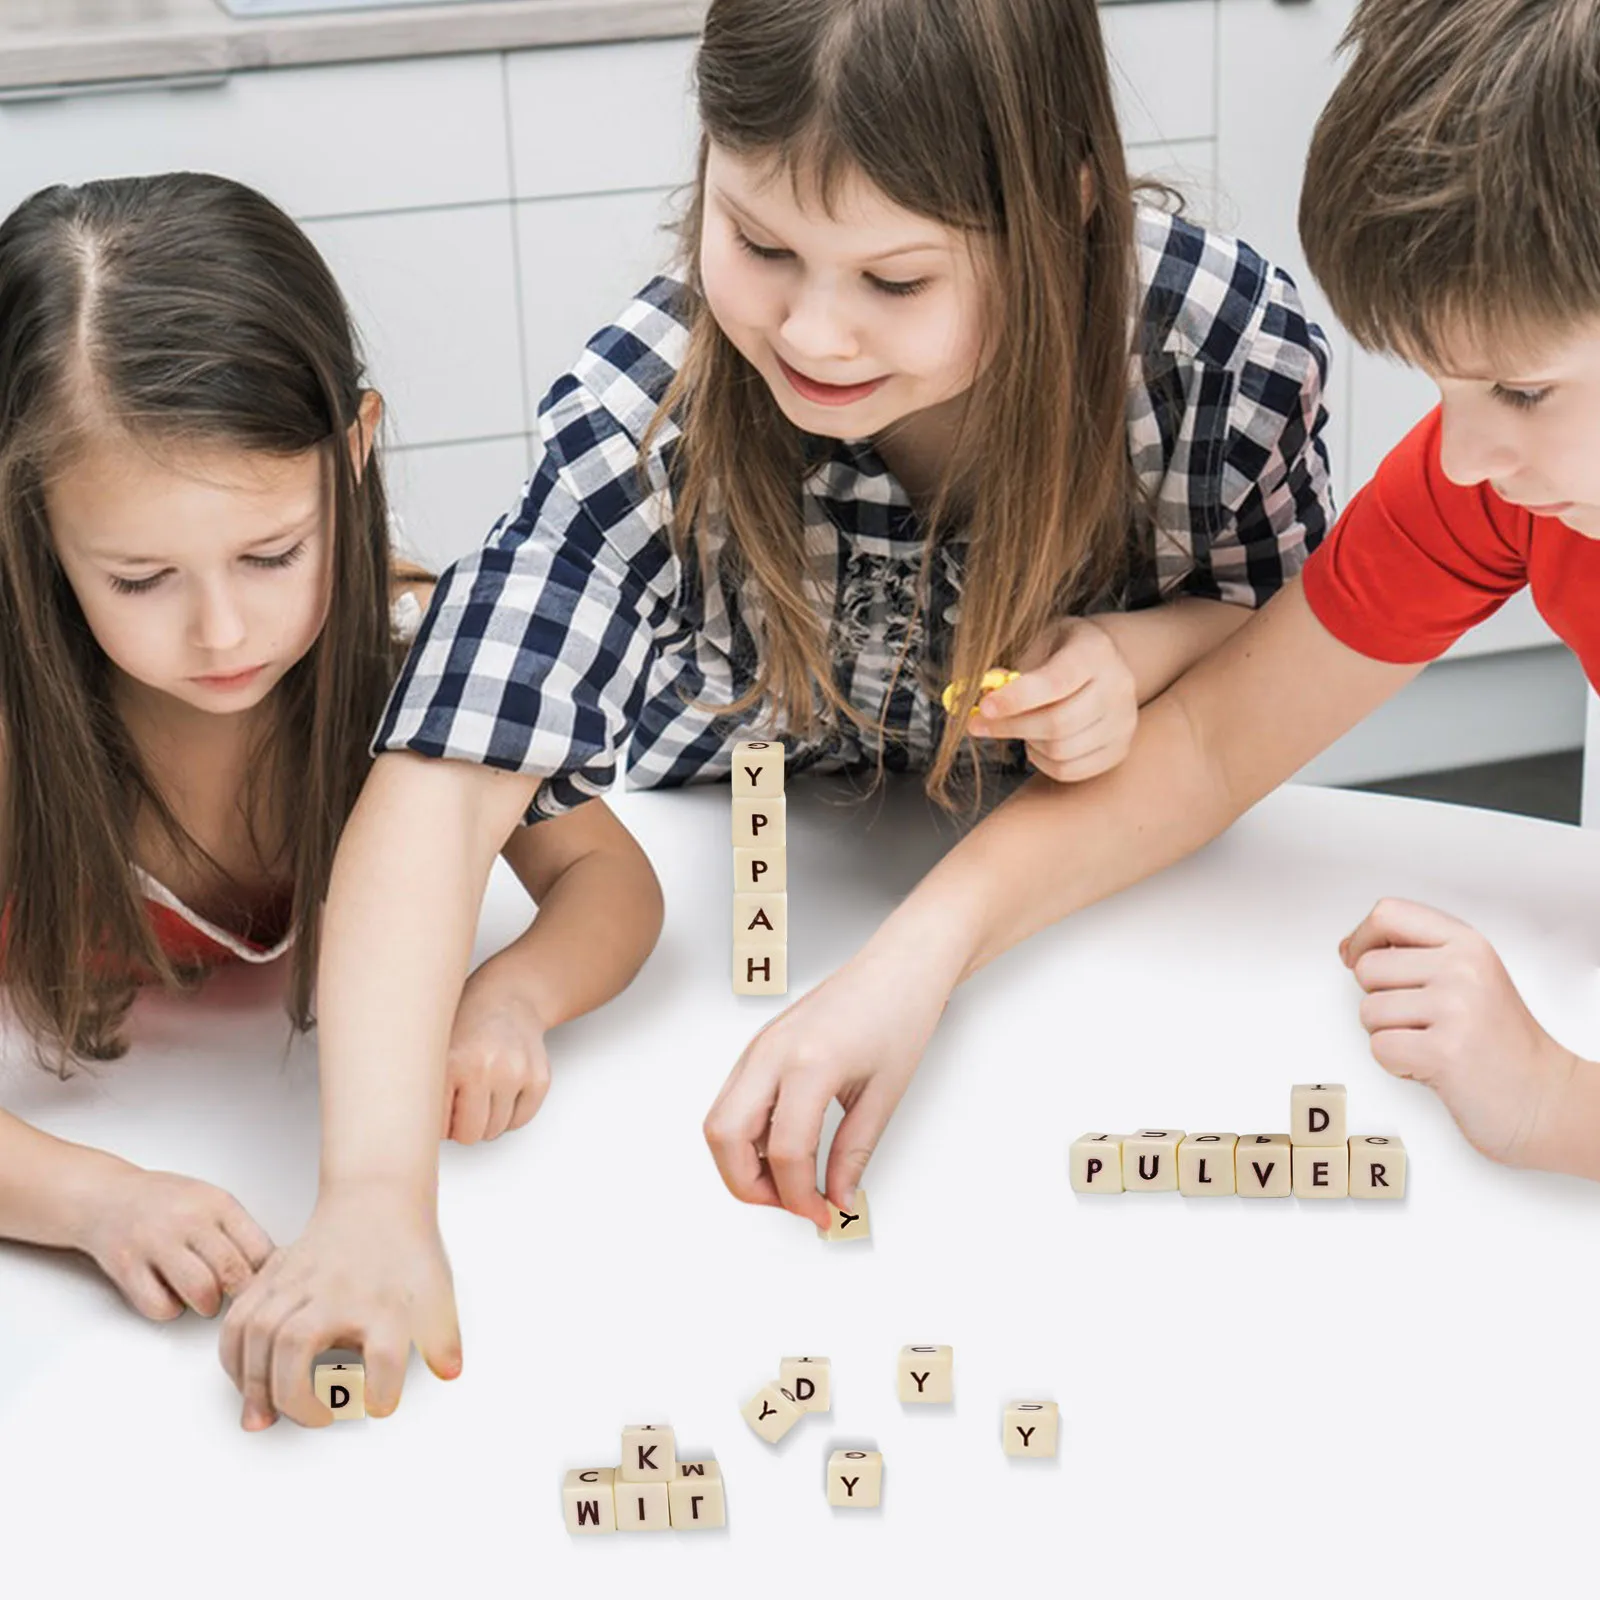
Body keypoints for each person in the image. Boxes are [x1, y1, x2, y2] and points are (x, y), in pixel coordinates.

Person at [219, 0, 1336, 1428]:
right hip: (746, 832)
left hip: (1107, 865)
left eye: (894, 278)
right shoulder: (647, 399)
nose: (812, 332)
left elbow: (1292, 644)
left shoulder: (1227, 354)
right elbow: (443, 784)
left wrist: (1139, 651)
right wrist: (372, 1195)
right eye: (758, 246)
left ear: (1064, 209)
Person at [717, 0, 1600, 1208]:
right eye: (1444, 386)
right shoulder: (1502, 492)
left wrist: (1555, 1101)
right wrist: (907, 964)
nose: (1457, 459)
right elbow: (1205, 742)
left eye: (1521, 388)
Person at [0, 175, 660, 1330]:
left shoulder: (411, 655)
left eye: (271, 553)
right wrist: (89, 1197)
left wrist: (513, 994)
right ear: (33, 518)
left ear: (354, 449)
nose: (221, 630)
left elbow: (612, 882)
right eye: (141, 578)